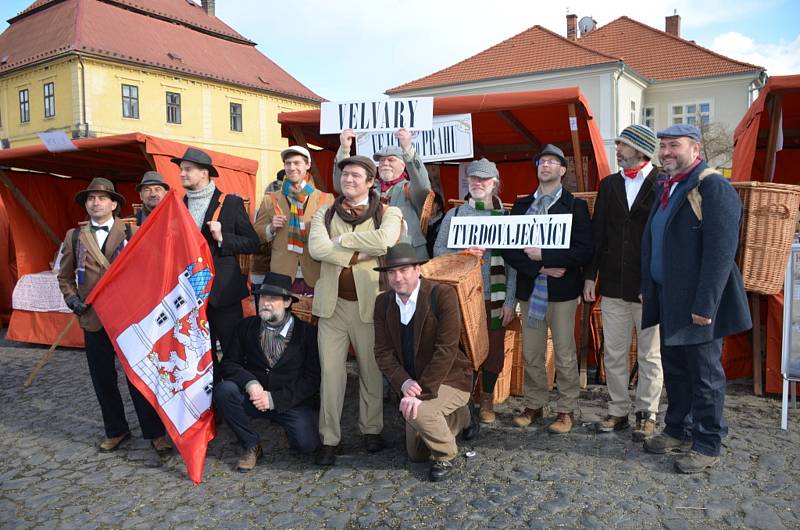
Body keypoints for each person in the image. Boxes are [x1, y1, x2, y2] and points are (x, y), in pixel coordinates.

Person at [640, 124, 751, 473]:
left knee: (705, 376)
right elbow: (657, 240)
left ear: (696, 148)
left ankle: (707, 443)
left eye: (675, 145)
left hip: (698, 304)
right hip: (670, 298)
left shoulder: (712, 186)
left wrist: (706, 304)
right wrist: (649, 286)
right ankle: (678, 430)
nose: (666, 152)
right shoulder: (668, 186)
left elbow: (721, 252)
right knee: (675, 370)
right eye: (663, 146)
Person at [57, 178, 172, 459]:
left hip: (128, 320)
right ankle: (116, 429)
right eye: (90, 198)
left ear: (114, 204)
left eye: (101, 198)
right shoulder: (75, 236)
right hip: (93, 320)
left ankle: (155, 433)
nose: (95, 202)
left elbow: (150, 271)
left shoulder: (132, 231)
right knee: (103, 379)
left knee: (139, 377)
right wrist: (72, 299)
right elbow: (64, 276)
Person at [308, 155, 403, 465]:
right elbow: (317, 249)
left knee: (370, 371)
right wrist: (358, 254)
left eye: (355, 176)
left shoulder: (388, 212)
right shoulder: (324, 211)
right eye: (345, 174)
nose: (348, 180)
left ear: (370, 181)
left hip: (370, 306)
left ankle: (372, 429)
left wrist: (343, 239)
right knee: (331, 375)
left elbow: (386, 240)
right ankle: (329, 438)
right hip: (331, 307)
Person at [502, 144, 593, 434]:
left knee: (565, 353)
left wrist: (547, 256)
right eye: (542, 161)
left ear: (562, 171)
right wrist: (539, 267)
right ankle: (534, 404)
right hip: (532, 290)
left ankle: (566, 409)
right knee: (531, 352)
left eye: (553, 162)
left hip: (563, 292)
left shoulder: (575, 206)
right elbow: (510, 249)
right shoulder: (520, 206)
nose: (546, 165)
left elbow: (584, 250)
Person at [583, 125, 663, 440]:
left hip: (648, 288)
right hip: (613, 287)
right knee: (613, 353)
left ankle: (647, 413)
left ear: (640, 149)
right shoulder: (609, 185)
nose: (617, 149)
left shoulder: (662, 183)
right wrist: (591, 275)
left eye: (623, 144)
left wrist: (656, 283)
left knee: (649, 355)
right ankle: (618, 410)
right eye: (618, 144)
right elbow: (597, 233)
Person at [373, 243, 477, 481]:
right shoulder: (383, 303)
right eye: (391, 272)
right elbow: (382, 352)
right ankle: (464, 416)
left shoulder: (441, 295)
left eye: (404, 270)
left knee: (418, 415)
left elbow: (446, 350)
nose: (398, 278)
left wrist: (420, 393)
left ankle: (446, 455)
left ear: (418, 270)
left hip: (450, 379)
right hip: (413, 385)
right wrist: (404, 382)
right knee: (416, 454)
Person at [433, 159, 517, 423]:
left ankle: (487, 399)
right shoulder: (454, 215)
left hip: (495, 295)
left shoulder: (505, 218)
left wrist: (510, 300)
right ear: (467, 182)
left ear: (495, 183)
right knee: (461, 350)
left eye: (484, 180)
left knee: (493, 350)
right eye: (474, 179)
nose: (478, 183)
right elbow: (438, 253)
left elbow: (513, 264)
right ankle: (462, 399)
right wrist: (464, 253)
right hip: (461, 296)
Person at [214, 272, 321, 472]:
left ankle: (290, 429)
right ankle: (250, 444)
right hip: (253, 397)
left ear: (288, 302)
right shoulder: (245, 327)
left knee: (308, 446)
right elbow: (229, 364)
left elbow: (312, 379)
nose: (265, 303)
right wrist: (250, 383)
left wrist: (275, 399)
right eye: (263, 297)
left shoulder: (307, 333)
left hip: (289, 401)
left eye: (272, 298)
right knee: (224, 391)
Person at [173, 147, 260, 369]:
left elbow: (253, 243)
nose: (182, 173)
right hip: (190, 295)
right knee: (200, 356)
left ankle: (234, 399)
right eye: (181, 169)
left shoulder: (230, 202)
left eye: (188, 169)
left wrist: (223, 238)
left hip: (224, 294)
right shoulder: (179, 205)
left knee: (234, 353)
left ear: (204, 172)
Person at [335, 128, 432, 258]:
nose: (385, 163)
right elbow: (343, 186)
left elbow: (423, 186)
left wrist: (408, 150)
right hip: (373, 253)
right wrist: (344, 150)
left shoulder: (409, 188)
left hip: (407, 254)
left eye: (391, 160)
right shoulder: (369, 188)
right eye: (381, 161)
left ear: (403, 165)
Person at [253, 146, 333, 297]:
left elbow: (332, 235)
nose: (292, 168)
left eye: (297, 163)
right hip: (282, 273)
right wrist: (270, 228)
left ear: (307, 165)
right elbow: (257, 233)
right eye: (288, 163)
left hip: (315, 273)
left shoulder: (325, 199)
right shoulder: (271, 199)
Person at [425, 192, 445, 258]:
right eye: (428, 203)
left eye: (433, 203)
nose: (430, 205)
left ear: (439, 206)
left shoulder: (445, 219)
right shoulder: (422, 221)